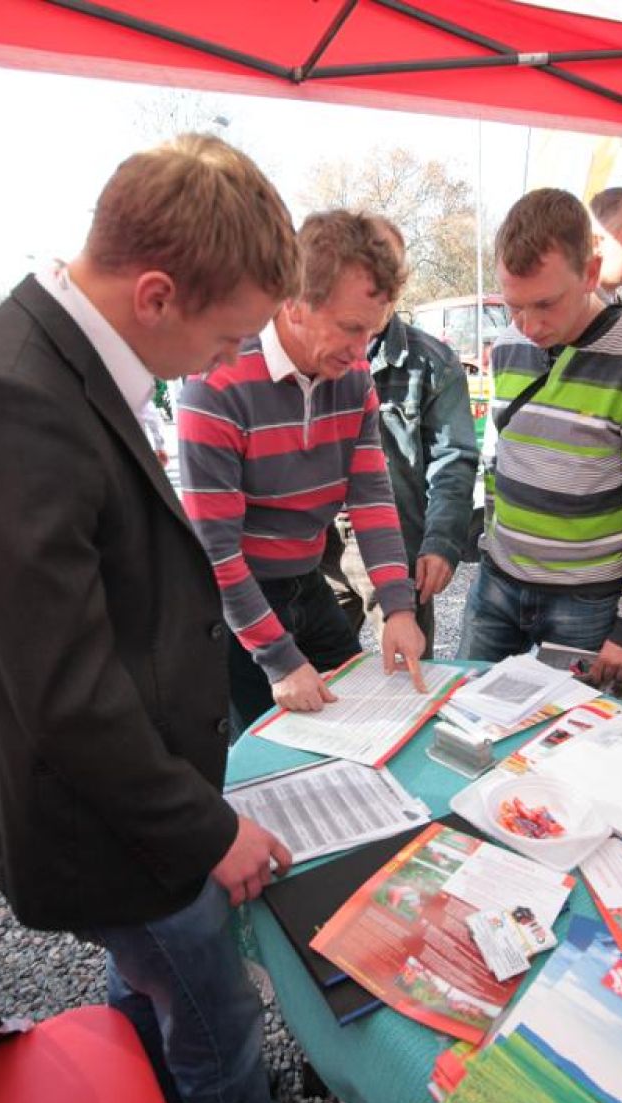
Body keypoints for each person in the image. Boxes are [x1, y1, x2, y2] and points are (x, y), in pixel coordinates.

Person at [0, 135, 383, 1103]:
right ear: (153, 294)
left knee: (156, 988)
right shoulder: (9, 397)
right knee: (216, 1006)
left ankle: (162, 1097)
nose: (223, 360)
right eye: (226, 333)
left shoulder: (56, 358)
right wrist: (210, 829)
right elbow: (65, 693)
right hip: (109, 818)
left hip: (134, 797)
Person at [179, 209, 426, 737]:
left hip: (305, 581)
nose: (363, 352)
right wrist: (278, 659)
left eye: (373, 331)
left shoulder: (354, 377)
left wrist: (398, 607)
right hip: (231, 603)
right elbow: (214, 550)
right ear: (292, 302)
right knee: (269, 749)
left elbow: (371, 498)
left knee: (361, 721)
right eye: (350, 329)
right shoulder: (215, 384)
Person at [458, 188, 622, 688]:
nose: (528, 325)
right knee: (463, 717)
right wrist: (490, 547)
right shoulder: (510, 346)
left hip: (585, 603)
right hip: (496, 584)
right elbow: (502, 458)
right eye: (513, 306)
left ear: (590, 273)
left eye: (545, 303)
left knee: (563, 752)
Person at [322, 218, 477, 657]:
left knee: (412, 668)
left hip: (396, 549)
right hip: (320, 551)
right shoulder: (314, 354)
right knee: (321, 673)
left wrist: (442, 541)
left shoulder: (433, 363)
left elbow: (455, 460)